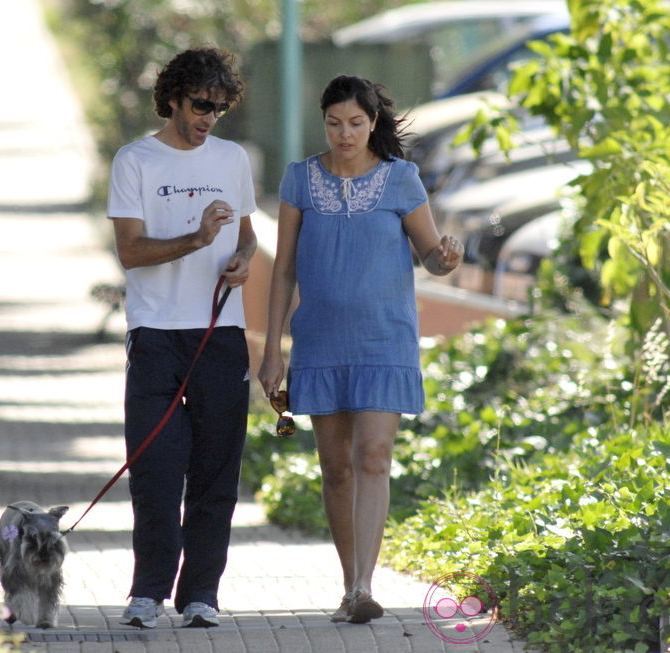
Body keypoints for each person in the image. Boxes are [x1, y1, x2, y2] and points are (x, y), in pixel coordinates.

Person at [257, 75, 464, 624]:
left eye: (354, 123)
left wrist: (447, 256)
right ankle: (349, 582)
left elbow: (430, 256)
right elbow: (283, 270)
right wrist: (273, 351)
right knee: (335, 468)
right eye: (334, 123)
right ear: (323, 122)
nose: (344, 133)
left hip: (385, 339)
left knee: (373, 456)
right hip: (320, 341)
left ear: (373, 123)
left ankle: (364, 588)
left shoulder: (401, 180)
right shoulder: (301, 179)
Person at [106, 47, 258, 629]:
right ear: (173, 98)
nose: (208, 118)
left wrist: (241, 261)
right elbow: (131, 251)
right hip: (156, 336)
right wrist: (196, 240)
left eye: (219, 109)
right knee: (156, 469)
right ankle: (147, 591)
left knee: (217, 470)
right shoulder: (136, 160)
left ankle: (202, 595)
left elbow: (246, 237)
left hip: (221, 333)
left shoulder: (231, 158)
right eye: (200, 105)